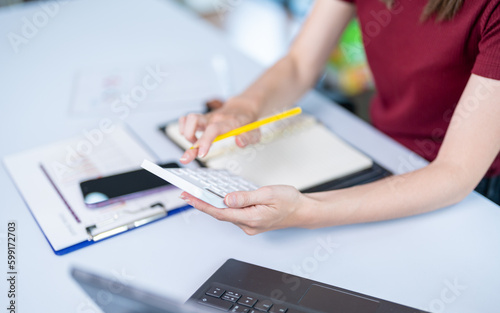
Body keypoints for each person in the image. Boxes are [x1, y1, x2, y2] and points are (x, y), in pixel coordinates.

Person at [176, 0, 500, 235]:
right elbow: (301, 64)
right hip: (386, 150)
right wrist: (242, 108)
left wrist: (306, 211)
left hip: (473, 189)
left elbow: (455, 173)